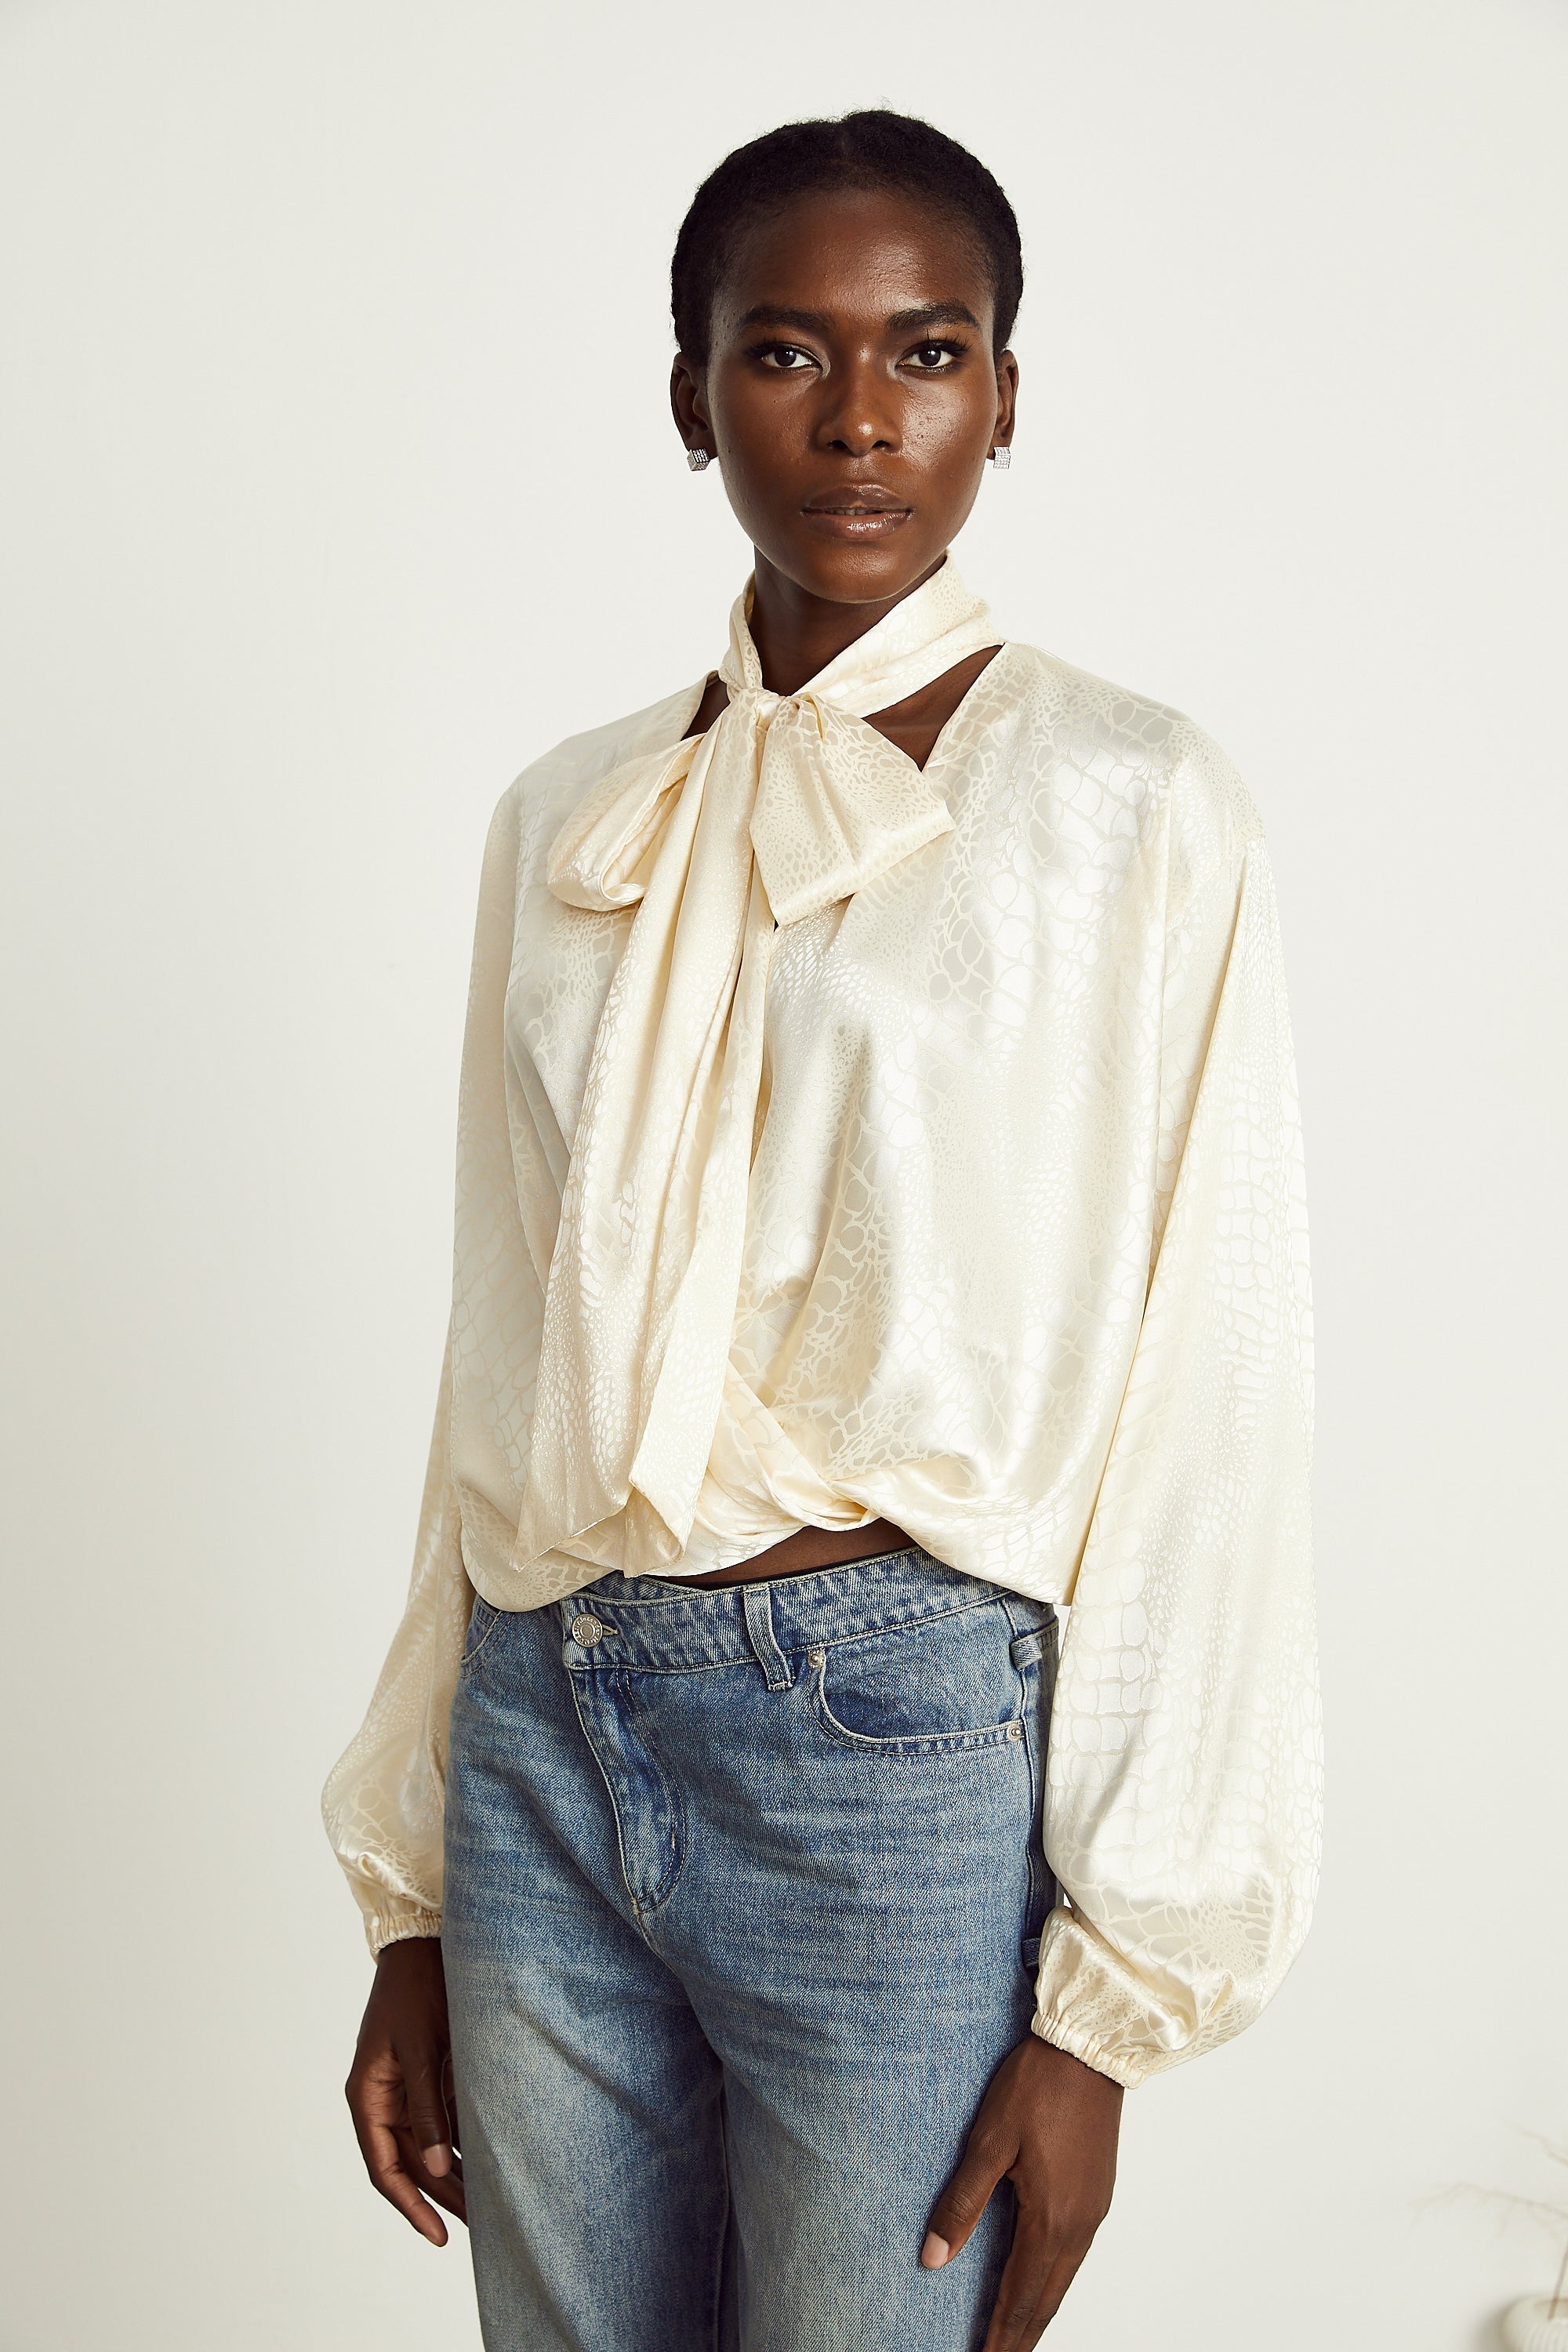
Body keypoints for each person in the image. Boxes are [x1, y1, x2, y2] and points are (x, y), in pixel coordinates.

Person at [323, 108, 1321, 2352]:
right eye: (785, 352)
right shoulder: (572, 815)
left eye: (928, 351)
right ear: (692, 398)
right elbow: (498, 1353)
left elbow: (1217, 1374)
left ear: (1005, 393)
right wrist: (415, 1889)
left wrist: (1109, 2004)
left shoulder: (1127, 800)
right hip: (541, 1719)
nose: (862, 419)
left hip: (892, 1747)